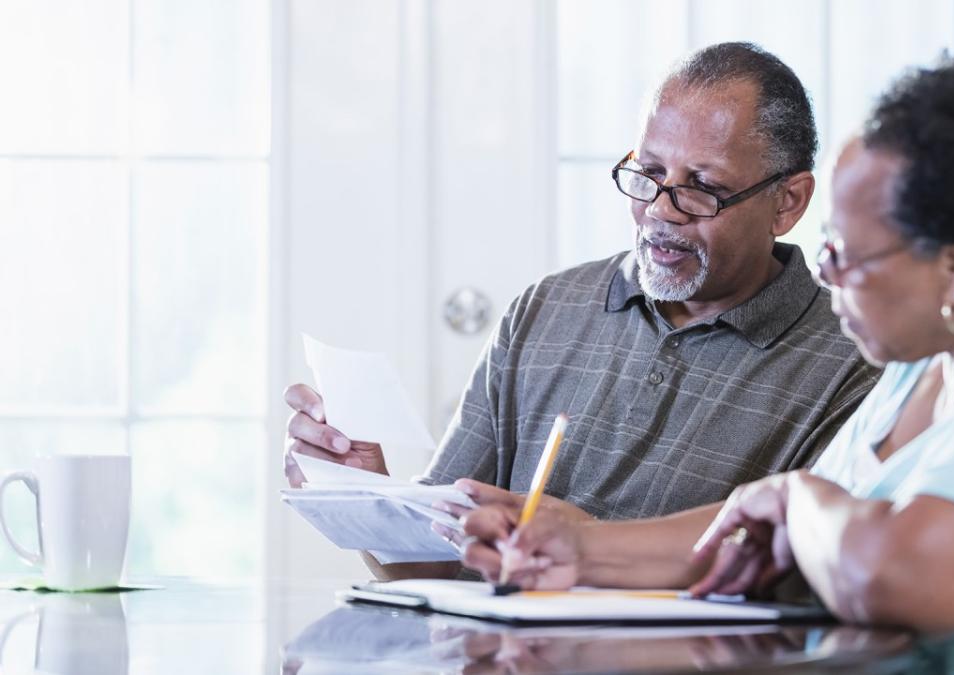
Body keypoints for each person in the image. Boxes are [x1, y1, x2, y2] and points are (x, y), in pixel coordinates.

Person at [460, 57, 954, 674]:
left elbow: (893, 573)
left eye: (846, 253)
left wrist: (798, 494)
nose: (825, 273)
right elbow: (764, 541)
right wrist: (581, 548)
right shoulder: (927, 370)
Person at [282, 42, 877, 580]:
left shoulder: (853, 360)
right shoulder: (545, 311)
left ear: (789, 201)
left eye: (702, 187)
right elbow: (434, 566)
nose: (661, 211)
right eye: (646, 174)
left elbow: (811, 587)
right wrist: (365, 488)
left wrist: (588, 547)